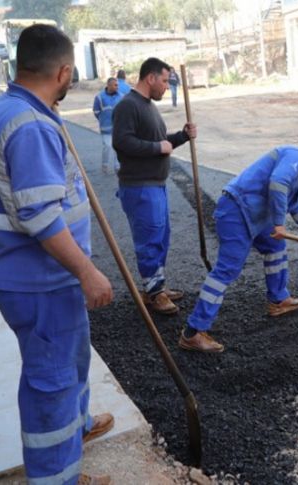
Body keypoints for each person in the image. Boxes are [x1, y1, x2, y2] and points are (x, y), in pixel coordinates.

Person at [0, 24, 114, 485]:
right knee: (52, 383)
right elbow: (41, 217)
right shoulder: (29, 126)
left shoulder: (23, 109)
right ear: (65, 71)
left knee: (72, 365)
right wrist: (88, 272)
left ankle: (77, 428)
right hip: (40, 279)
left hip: (47, 279)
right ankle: (56, 476)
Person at [181, 134, 298, 353]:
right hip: (236, 211)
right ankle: (192, 332)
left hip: (254, 216)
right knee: (226, 271)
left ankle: (278, 300)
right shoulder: (295, 156)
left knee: (276, 248)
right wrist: (279, 224)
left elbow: (297, 209)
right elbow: (278, 182)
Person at [112, 57, 197, 314]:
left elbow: (162, 142)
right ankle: (154, 292)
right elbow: (122, 142)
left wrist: (182, 136)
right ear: (150, 78)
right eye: (164, 80)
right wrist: (157, 147)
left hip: (155, 184)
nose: (166, 86)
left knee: (160, 237)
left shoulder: (148, 106)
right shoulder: (128, 105)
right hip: (139, 186)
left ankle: (156, 286)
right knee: (149, 239)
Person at [92, 77, 121, 174]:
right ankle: (105, 165)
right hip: (106, 128)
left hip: (118, 128)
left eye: (117, 85)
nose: (117, 87)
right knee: (108, 146)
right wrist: (102, 120)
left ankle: (117, 166)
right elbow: (96, 111)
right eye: (115, 85)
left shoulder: (121, 96)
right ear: (109, 85)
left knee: (118, 147)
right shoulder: (99, 97)